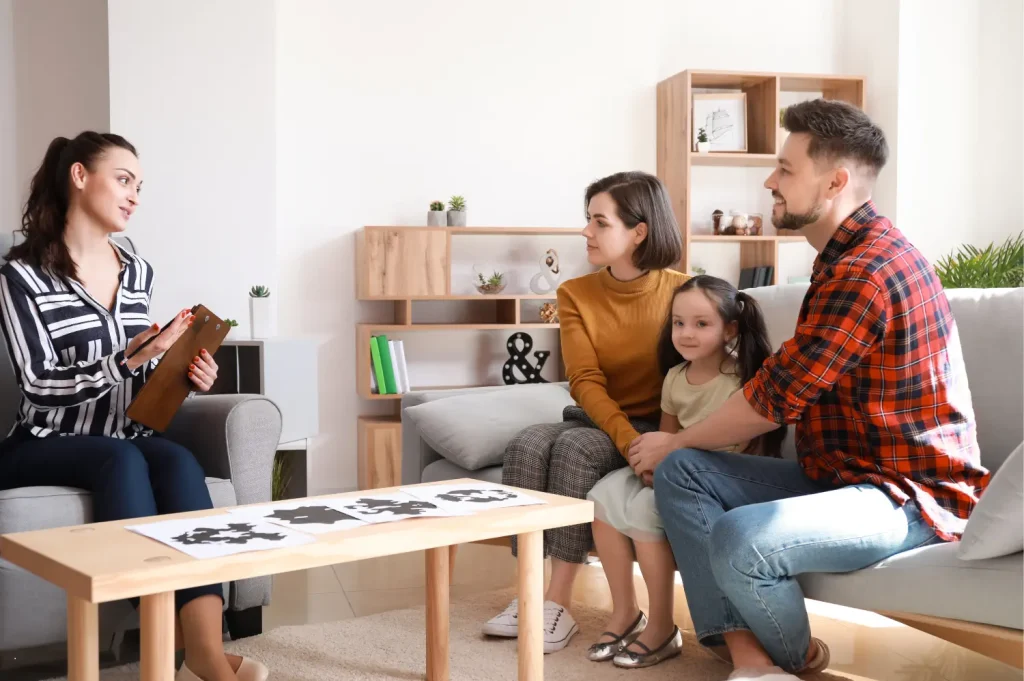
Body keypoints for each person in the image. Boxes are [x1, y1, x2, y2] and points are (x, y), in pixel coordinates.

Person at [628, 100, 990, 681]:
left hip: (906, 495)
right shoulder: (838, 259)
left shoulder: (866, 271)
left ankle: (794, 660)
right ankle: (751, 660)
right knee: (684, 472)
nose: (770, 181)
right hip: (840, 476)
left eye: (786, 169)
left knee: (740, 536)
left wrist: (671, 440)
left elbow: (774, 400)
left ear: (836, 182)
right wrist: (677, 451)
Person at [0, 132, 268, 681]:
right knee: (120, 459)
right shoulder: (21, 275)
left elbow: (140, 371)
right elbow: (38, 384)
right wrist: (128, 359)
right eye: (124, 181)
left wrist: (184, 373)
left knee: (177, 461)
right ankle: (161, 651)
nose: (134, 197)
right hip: (44, 442)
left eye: (139, 187)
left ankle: (204, 653)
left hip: (126, 434)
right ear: (79, 176)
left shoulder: (137, 270)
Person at [482, 171, 687, 652]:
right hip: (604, 419)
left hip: (657, 425)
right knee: (526, 444)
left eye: (600, 222)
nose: (586, 231)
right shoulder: (576, 293)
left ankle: (557, 603)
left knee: (574, 449)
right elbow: (584, 380)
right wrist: (626, 441)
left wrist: (649, 442)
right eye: (588, 219)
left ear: (639, 231)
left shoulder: (685, 291)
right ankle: (529, 591)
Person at [585, 275, 784, 669]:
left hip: (716, 479)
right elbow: (666, 438)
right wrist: (649, 464)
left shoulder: (741, 381)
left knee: (644, 510)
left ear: (730, 329)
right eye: (679, 323)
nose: (686, 333)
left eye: (701, 323)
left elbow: (747, 452)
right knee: (602, 498)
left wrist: (669, 466)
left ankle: (662, 626)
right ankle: (625, 612)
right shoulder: (675, 378)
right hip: (674, 467)